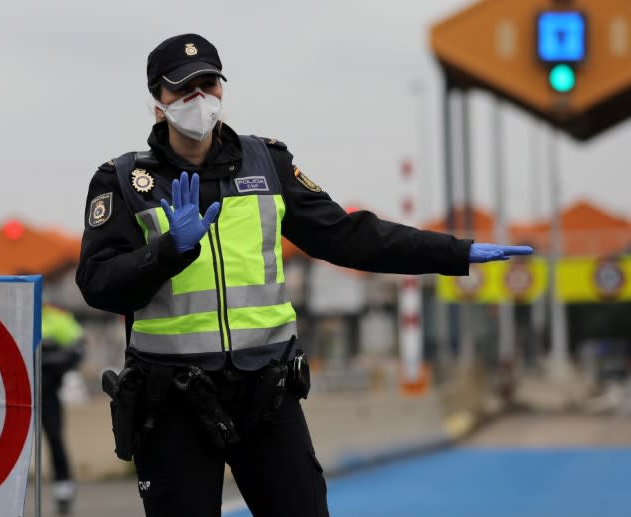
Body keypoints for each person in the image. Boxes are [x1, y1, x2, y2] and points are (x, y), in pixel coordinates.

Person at [76, 33, 532, 517]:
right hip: (172, 403)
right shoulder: (124, 181)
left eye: (208, 84)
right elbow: (98, 284)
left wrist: (453, 252)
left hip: (265, 394)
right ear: (158, 103)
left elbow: (348, 235)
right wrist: (169, 251)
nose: (198, 99)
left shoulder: (267, 163)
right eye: (182, 89)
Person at [40, 303, 85, 516]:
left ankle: (64, 491)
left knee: (55, 439)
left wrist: (51, 366)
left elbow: (78, 348)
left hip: (47, 390)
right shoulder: (10, 318)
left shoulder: (57, 318)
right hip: (16, 392)